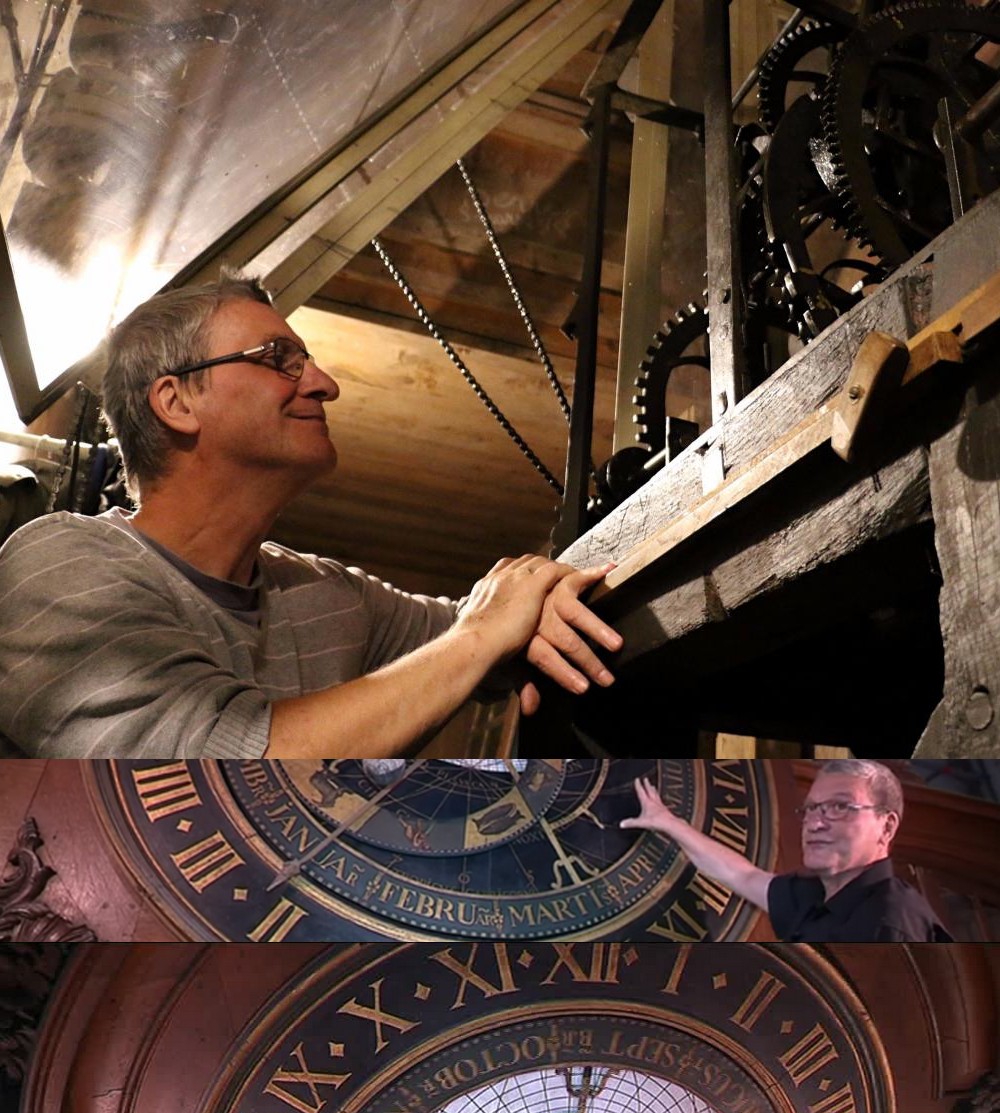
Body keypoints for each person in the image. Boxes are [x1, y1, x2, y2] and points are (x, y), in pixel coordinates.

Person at [0, 273, 622, 757]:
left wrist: (526, 600)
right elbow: (210, 780)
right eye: (279, 358)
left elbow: (490, 630)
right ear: (177, 400)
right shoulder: (60, 564)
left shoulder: (329, 598)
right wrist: (482, 637)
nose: (325, 383)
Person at [621, 759, 952, 941]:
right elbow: (742, 875)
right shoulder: (814, 896)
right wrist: (668, 822)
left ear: (887, 826)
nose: (814, 823)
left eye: (839, 807)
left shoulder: (890, 923)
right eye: (811, 809)